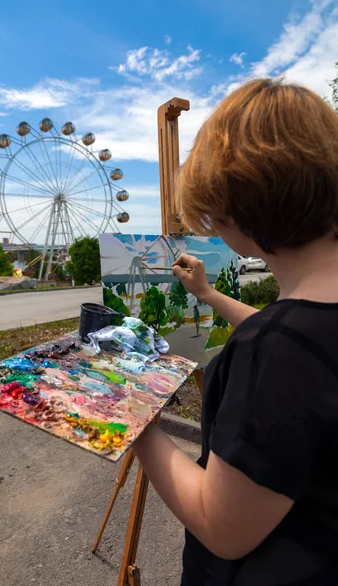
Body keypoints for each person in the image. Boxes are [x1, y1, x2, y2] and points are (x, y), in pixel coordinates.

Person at [132, 78, 338, 585]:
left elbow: (222, 528)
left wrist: (132, 418)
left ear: (235, 206)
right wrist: (207, 295)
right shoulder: (309, 324)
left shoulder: (275, 351)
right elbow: (306, 344)